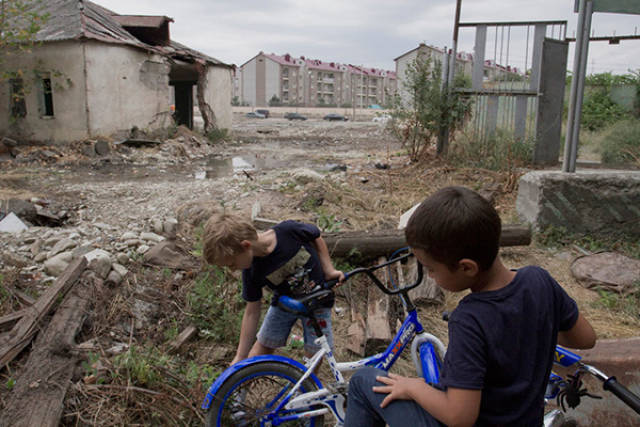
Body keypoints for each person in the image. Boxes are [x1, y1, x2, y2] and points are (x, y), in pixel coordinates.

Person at [344, 186, 596, 427]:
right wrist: (532, 327)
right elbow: (585, 337)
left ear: (467, 267)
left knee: (363, 381)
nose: (430, 276)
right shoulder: (539, 280)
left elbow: (459, 416)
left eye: (431, 269)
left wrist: (415, 387)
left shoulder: (470, 319)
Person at [202, 212, 344, 365]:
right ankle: (240, 383)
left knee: (315, 355)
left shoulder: (288, 231)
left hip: (318, 302)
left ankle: (305, 388)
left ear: (246, 246)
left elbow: (315, 236)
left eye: (232, 264)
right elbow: (252, 311)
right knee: (263, 344)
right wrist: (240, 356)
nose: (232, 270)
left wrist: (328, 269)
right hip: (284, 305)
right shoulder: (251, 272)